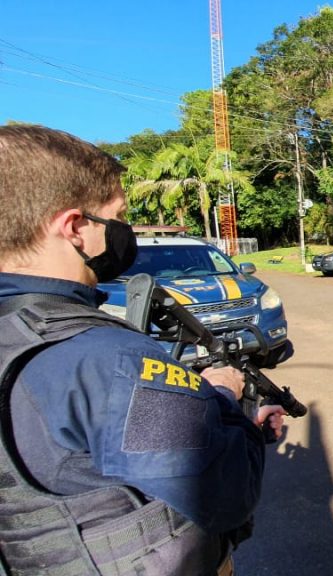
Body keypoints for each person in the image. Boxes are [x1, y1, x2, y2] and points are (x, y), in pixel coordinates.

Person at [0, 125, 286, 575]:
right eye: (116, 216)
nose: (124, 231)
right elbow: (227, 491)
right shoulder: (106, 359)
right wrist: (223, 396)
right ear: (74, 227)